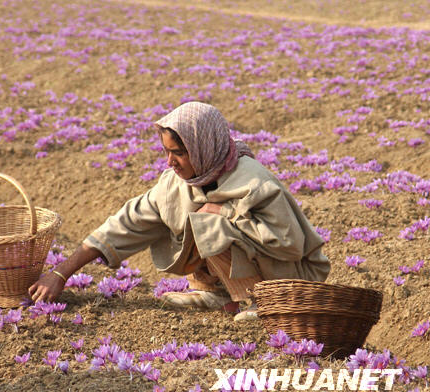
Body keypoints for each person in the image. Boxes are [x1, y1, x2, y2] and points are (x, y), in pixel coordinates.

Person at [28, 101, 330, 321]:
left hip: (290, 278)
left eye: (179, 153)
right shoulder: (176, 183)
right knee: (200, 219)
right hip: (255, 265)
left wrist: (226, 215)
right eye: (166, 152)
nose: (170, 162)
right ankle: (218, 292)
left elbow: (289, 244)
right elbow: (127, 222)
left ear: (203, 147)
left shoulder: (254, 182)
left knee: (210, 222)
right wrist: (60, 273)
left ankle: (258, 300)